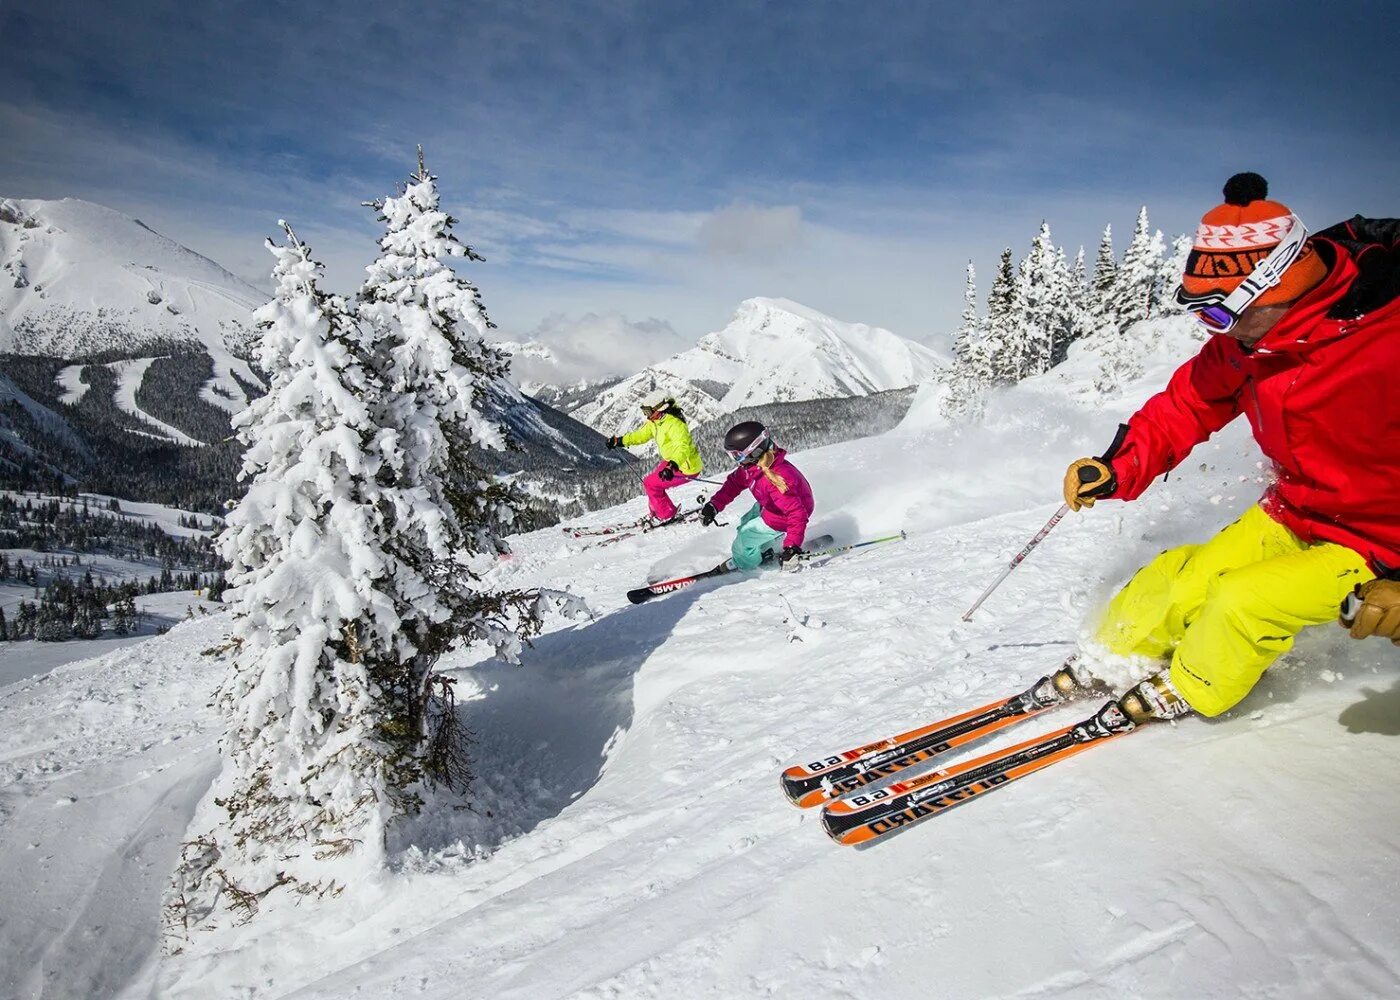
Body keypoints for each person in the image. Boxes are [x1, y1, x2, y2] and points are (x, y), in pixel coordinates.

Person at [1062, 172, 1400, 723]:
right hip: (1297, 512)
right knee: (1183, 579)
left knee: (1244, 601)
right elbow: (1189, 402)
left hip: (1382, 546)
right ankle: (1112, 653)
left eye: (1219, 313)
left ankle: (1193, 688)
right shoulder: (1251, 342)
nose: (1214, 330)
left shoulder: (1385, 340)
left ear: (1279, 283)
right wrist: (1117, 466)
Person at [701, 421, 814, 572]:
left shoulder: (776, 477)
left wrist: (792, 546)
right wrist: (714, 505)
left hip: (783, 517)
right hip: (772, 506)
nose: (736, 459)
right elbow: (734, 483)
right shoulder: (753, 467)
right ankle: (764, 547)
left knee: (743, 540)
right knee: (745, 522)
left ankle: (745, 563)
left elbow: (797, 513)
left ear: (753, 451)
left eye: (737, 455)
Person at [606, 396, 704, 524]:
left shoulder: (674, 424)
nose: (647, 415)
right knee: (651, 483)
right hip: (672, 462)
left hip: (686, 467)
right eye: (644, 412)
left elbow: (683, 447)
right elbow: (641, 435)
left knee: (651, 483)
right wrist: (619, 441)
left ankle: (666, 514)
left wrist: (672, 465)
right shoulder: (655, 422)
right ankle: (656, 511)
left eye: (648, 411)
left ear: (659, 409)